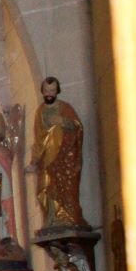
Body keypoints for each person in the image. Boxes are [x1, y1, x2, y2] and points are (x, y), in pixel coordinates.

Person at [32, 76, 88, 228]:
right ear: (42, 91)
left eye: (52, 90)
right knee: (45, 186)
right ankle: (51, 218)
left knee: (64, 187)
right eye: (46, 90)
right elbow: (38, 138)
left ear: (57, 91)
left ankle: (66, 217)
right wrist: (34, 160)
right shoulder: (40, 112)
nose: (49, 93)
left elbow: (77, 127)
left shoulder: (65, 108)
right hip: (46, 159)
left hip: (63, 158)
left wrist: (63, 122)